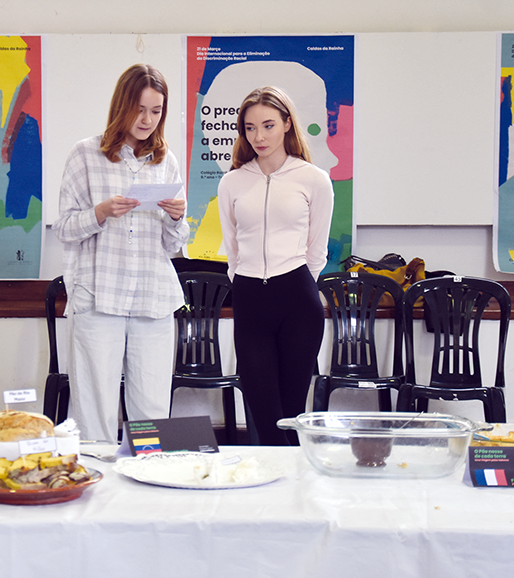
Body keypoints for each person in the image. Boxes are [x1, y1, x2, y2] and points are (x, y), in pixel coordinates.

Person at [54, 64, 190, 442]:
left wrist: (176, 219)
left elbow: (172, 245)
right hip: (100, 295)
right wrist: (99, 213)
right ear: (122, 106)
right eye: (139, 109)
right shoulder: (85, 154)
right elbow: (63, 229)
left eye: (156, 111)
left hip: (153, 296)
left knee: (152, 408)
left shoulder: (166, 161)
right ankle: (96, 476)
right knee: (93, 405)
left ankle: (147, 474)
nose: (147, 120)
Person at [217, 86, 334, 445]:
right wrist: (246, 283)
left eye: (268, 125)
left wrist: (296, 283)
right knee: (264, 415)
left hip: (297, 298)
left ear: (286, 124)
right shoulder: (232, 182)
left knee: (291, 414)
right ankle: (272, 477)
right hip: (250, 298)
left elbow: (317, 249)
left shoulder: (314, 179)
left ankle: (294, 478)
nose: (259, 137)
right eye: (250, 128)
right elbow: (233, 248)